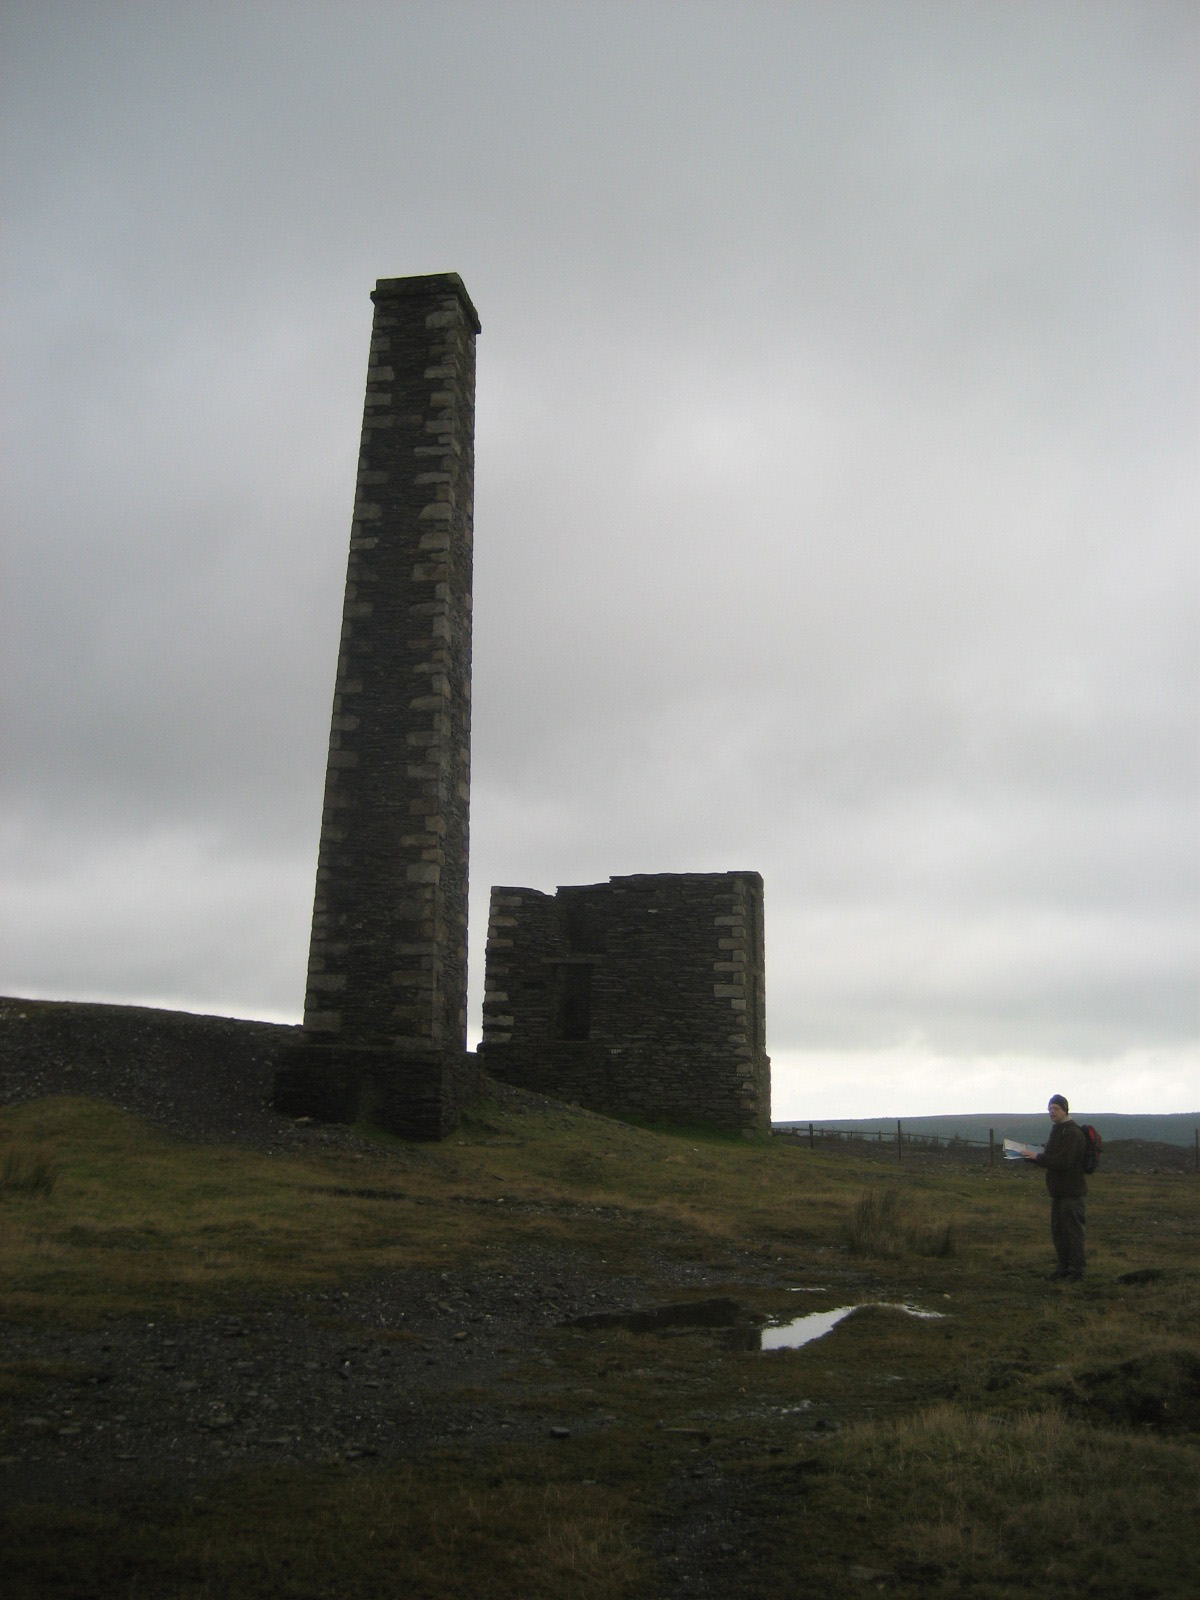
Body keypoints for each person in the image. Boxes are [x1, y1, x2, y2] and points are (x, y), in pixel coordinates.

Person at [1023, 1094, 1087, 1280]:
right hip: (1059, 1192)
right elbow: (1051, 1157)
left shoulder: (1073, 1133)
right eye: (1050, 1109)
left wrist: (1037, 1158)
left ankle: (1076, 1272)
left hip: (1072, 1192)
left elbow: (1064, 1161)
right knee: (1058, 1232)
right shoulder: (1057, 1130)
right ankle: (1063, 1269)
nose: (1052, 1112)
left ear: (1065, 1109)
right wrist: (1033, 1157)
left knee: (1073, 1233)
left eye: (1056, 1108)